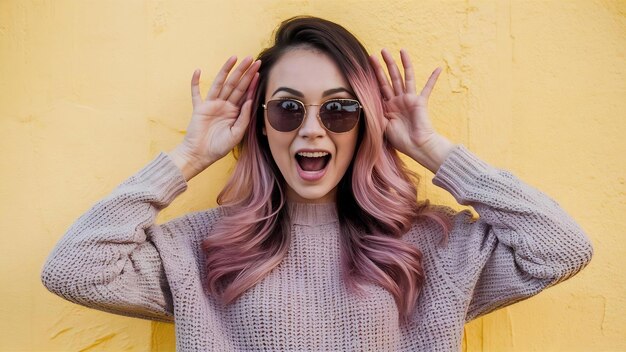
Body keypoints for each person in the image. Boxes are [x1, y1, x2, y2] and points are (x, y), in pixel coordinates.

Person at [41, 16, 593, 351]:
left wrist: (430, 149)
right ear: (259, 123)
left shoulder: (431, 248)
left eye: (339, 109)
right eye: (286, 108)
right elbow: (75, 270)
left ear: (365, 124)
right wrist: (188, 156)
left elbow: (559, 247)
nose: (311, 128)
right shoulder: (202, 250)